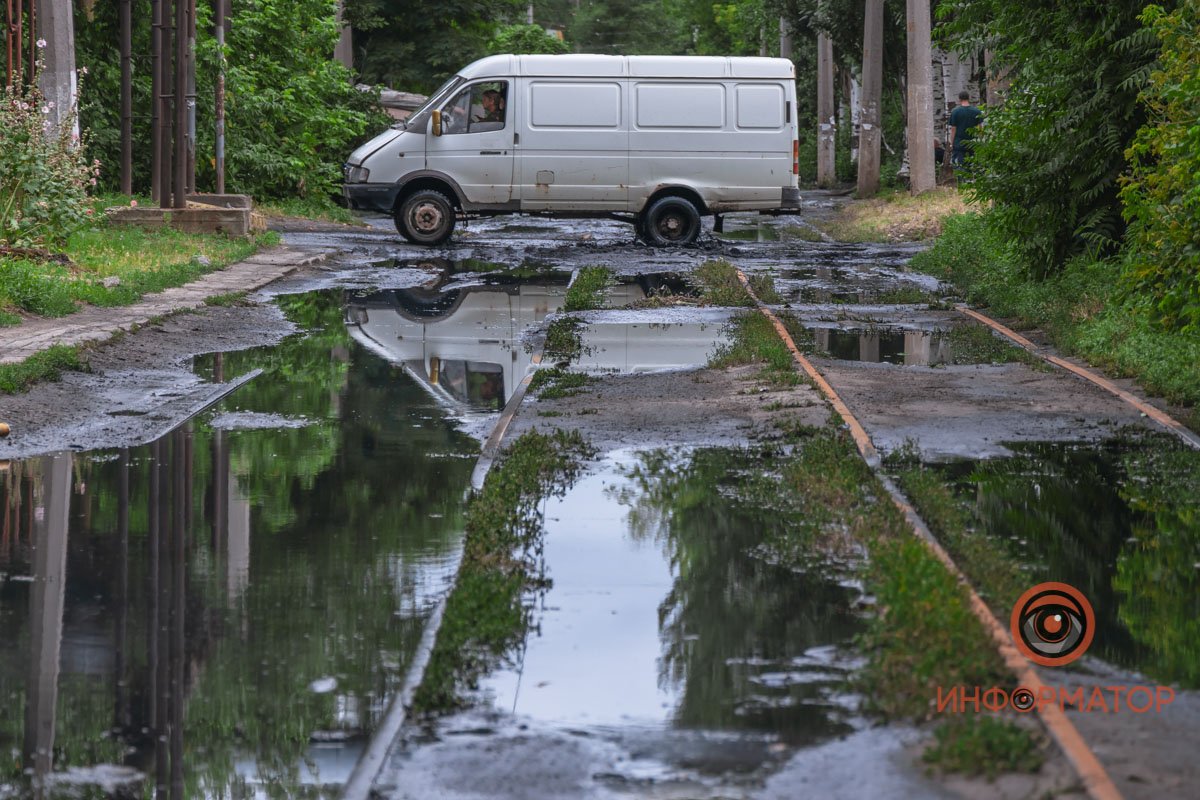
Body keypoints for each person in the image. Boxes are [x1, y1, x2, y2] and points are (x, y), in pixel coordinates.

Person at [947, 91, 983, 169]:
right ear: (968, 98)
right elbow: (980, 128)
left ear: (959, 99)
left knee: (960, 166)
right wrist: (980, 141)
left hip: (959, 143)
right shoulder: (976, 111)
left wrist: (951, 143)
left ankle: (962, 180)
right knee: (973, 165)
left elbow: (953, 129)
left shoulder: (955, 112)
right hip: (973, 143)